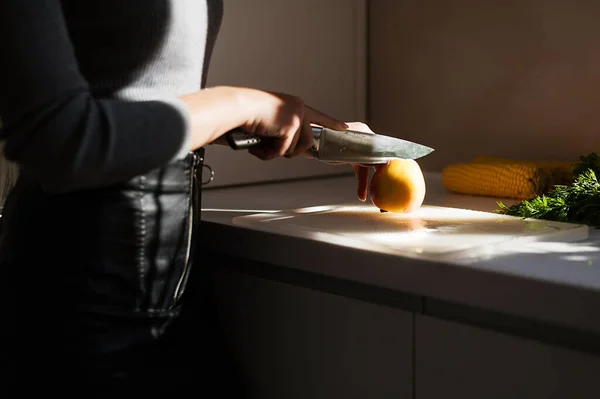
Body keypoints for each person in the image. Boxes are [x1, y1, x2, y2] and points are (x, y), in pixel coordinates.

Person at [0, 0, 375, 395]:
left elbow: (136, 92)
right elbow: (61, 139)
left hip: (163, 287)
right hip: (72, 304)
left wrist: (300, 126)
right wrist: (243, 105)